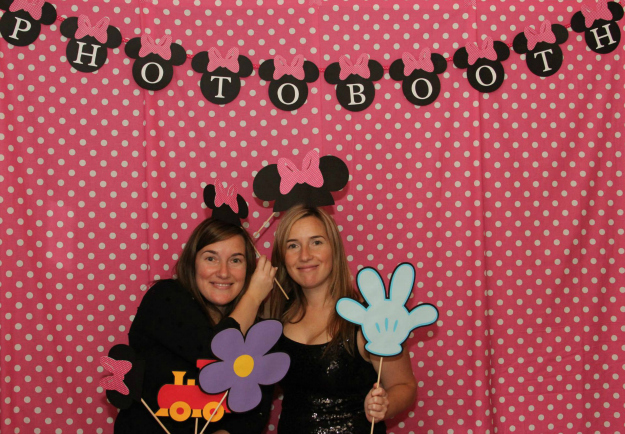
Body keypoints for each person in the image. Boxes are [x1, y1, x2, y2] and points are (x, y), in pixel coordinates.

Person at [114, 217, 277, 434]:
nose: (223, 272)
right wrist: (254, 297)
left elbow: (256, 404)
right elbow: (214, 353)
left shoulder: (258, 328)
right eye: (211, 258)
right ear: (192, 263)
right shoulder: (164, 299)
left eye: (235, 260)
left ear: (249, 270)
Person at [270, 205, 417, 434]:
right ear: (282, 257)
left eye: (316, 242)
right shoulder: (276, 316)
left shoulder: (369, 318)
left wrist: (385, 405)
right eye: (293, 245)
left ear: (334, 249)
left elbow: (404, 386)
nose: (305, 255)